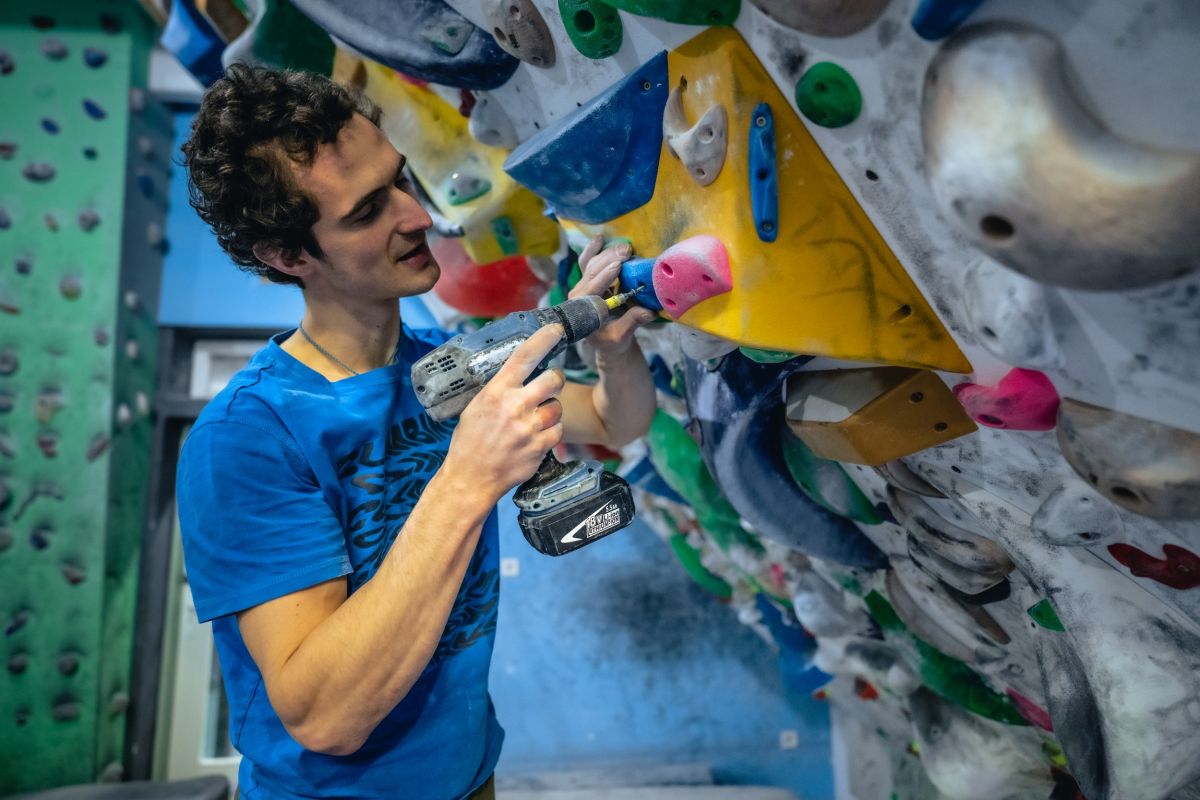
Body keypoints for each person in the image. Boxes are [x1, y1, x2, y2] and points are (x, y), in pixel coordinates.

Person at [176, 64, 657, 800]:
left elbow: (617, 420)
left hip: (472, 779)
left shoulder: (446, 367)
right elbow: (326, 716)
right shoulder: (246, 439)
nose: (417, 215)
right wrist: (469, 478)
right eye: (368, 210)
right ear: (288, 255)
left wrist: (614, 352)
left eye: (400, 180)